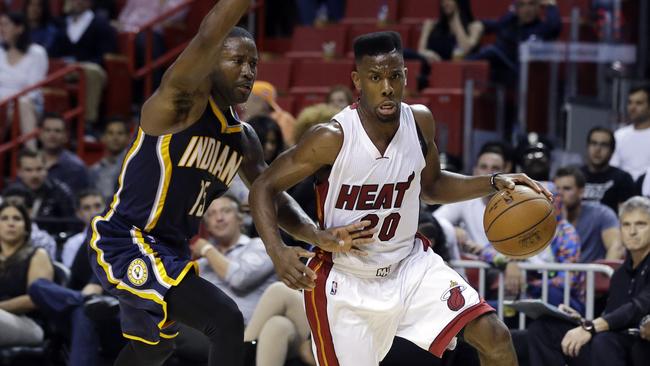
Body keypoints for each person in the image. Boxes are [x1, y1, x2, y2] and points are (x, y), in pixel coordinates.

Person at [86, 1, 366, 365]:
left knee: (154, 347)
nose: (248, 72)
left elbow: (272, 198)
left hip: (171, 248)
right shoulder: (179, 102)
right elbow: (208, 35)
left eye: (254, 64)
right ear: (211, 64)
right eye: (237, 61)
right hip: (128, 238)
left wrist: (315, 234)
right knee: (226, 319)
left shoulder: (244, 138)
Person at [250, 31, 551, 365]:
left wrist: (493, 182)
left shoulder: (420, 121)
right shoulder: (332, 137)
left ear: (406, 74)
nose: (387, 87)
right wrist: (279, 250)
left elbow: (433, 188)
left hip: (410, 266)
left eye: (395, 75)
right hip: (348, 280)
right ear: (358, 80)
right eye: (375, 77)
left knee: (494, 335)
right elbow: (264, 187)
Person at [527, 196, 650, 366]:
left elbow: (638, 307)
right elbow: (612, 316)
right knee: (543, 329)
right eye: (626, 225)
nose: (632, 231)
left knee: (604, 341)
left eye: (641, 224)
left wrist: (590, 327)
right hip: (614, 342)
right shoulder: (620, 274)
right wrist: (582, 321)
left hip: (639, 345)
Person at [467, 0, 561, 85]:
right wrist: (478, 25)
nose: (527, 9)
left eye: (531, 4)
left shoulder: (542, 28)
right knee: (487, 53)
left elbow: (554, 26)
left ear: (538, 7)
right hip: (498, 69)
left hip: (520, 72)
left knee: (491, 51)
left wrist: (551, 5)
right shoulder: (509, 22)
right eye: (522, 5)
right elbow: (491, 25)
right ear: (516, 8)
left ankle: (462, 65)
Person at [0, 202, 54, 347]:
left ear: (26, 227)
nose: (10, 223)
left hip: (29, 322)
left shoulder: (37, 254)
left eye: (17, 219)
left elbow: (35, 299)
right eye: (4, 218)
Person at [554, 166, 624, 262]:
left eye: (567, 188)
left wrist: (603, 275)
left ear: (581, 192)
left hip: (592, 275)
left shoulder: (601, 214)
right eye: (557, 189)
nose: (560, 194)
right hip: (554, 275)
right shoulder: (545, 218)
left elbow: (616, 247)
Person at [0, 11, 48, 149]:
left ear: (19, 28)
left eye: (5, 25)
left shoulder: (36, 53)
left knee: (23, 102)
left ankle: (32, 153)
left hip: (28, 105)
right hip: (2, 105)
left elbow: (33, 90)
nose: (1, 29)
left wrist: (9, 104)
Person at [580, 126, 636, 212]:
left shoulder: (623, 179)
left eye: (604, 145)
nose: (597, 149)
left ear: (612, 151)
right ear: (587, 147)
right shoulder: (575, 176)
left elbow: (626, 216)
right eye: (593, 143)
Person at [38, 113, 90, 192]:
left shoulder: (76, 167)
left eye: (57, 131)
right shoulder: (30, 162)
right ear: (40, 134)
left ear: (65, 136)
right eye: (47, 130)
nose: (52, 135)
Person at [610, 84, 650, 180]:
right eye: (630, 102)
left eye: (639, 103)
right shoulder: (619, 135)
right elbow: (613, 168)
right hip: (623, 190)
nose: (632, 108)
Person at [89, 117, 131, 201]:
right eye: (110, 133)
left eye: (120, 133)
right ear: (103, 138)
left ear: (128, 138)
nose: (115, 138)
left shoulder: (134, 165)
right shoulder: (94, 170)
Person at [60, 189, 105, 268]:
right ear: (78, 213)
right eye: (87, 208)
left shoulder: (123, 237)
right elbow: (73, 277)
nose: (94, 212)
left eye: (97, 206)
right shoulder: (73, 244)